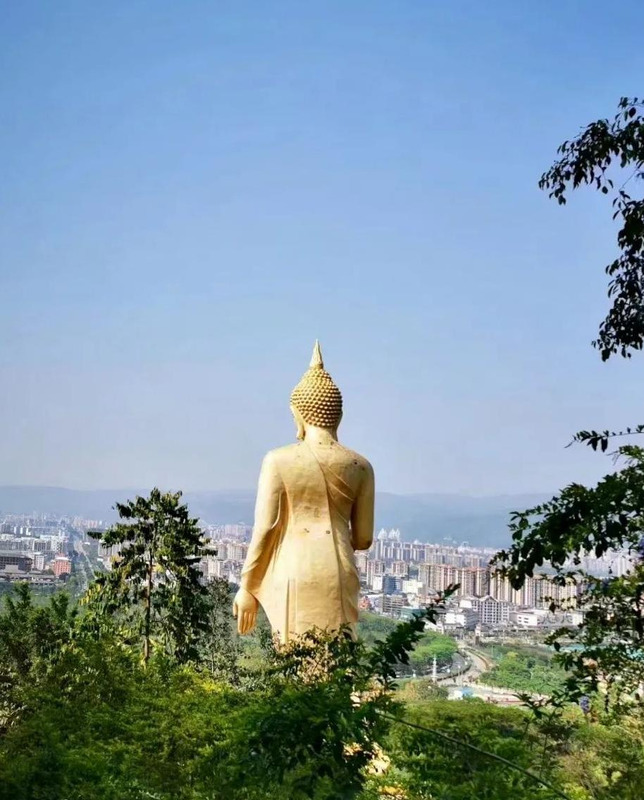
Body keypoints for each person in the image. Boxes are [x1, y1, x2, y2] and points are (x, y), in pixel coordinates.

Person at [233, 342, 375, 643]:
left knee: (295, 662)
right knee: (336, 663)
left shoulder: (279, 460)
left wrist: (248, 587)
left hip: (295, 569)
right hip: (339, 569)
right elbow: (362, 538)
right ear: (338, 415)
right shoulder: (360, 466)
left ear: (298, 413)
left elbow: (265, 530)